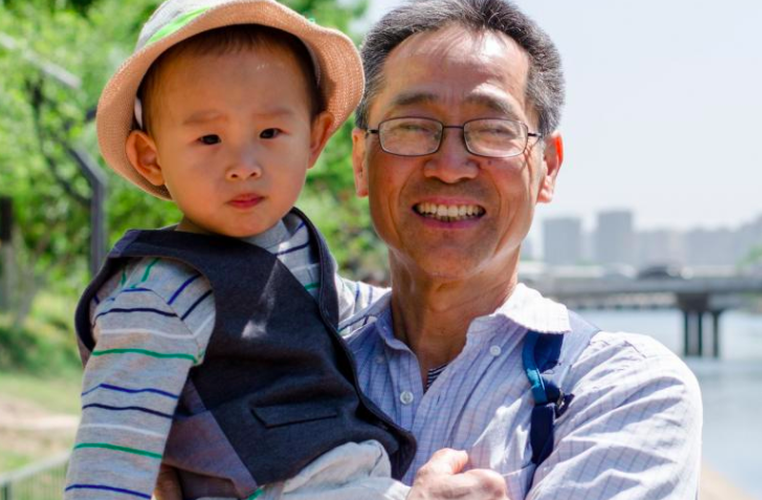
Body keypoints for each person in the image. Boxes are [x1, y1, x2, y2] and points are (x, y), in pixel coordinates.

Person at [344, 0, 703, 498]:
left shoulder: (622, 389)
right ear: (361, 161)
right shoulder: (278, 349)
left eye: (493, 131)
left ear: (547, 168)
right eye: (413, 127)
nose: (449, 166)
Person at [64, 1, 417, 499]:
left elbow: (340, 306)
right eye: (209, 138)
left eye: (270, 133)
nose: (244, 164)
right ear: (151, 157)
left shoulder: (295, 244)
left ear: (313, 139)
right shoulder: (159, 294)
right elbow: (110, 460)